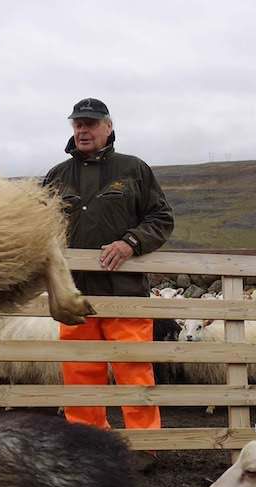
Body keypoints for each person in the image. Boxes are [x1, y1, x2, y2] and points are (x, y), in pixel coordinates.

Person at [42, 98, 174, 452]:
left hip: (125, 291)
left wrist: (131, 242)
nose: (83, 130)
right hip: (74, 292)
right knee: (80, 370)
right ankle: (87, 444)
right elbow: (37, 225)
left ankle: (145, 445)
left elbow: (161, 218)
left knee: (133, 368)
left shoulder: (134, 170)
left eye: (90, 123)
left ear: (108, 127)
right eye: (77, 124)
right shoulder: (57, 176)